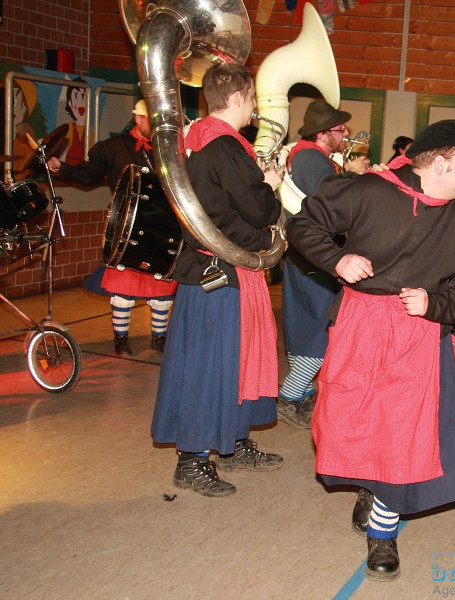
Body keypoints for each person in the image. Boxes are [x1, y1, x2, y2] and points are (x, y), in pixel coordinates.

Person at [287, 120, 455, 581]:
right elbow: (303, 224)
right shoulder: (367, 191)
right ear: (439, 162)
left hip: (418, 336)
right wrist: (336, 258)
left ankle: (383, 534)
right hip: (359, 324)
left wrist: (434, 303)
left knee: (400, 435)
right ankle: (370, 482)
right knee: (350, 422)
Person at [151, 63, 285, 497]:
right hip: (221, 275)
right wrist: (271, 182)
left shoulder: (193, 139)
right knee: (212, 370)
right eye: (253, 97)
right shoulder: (225, 147)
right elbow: (259, 210)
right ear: (241, 95)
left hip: (213, 268)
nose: (255, 106)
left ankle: (232, 442)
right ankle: (192, 461)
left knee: (233, 366)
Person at [49, 99, 175, 356]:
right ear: (138, 118)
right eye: (151, 118)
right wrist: (62, 168)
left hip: (160, 227)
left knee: (160, 284)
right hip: (126, 226)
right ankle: (121, 339)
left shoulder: (167, 148)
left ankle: (159, 337)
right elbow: (89, 175)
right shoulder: (114, 148)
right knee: (123, 285)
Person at [276, 99, 351, 429]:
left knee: (304, 327)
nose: (345, 133)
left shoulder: (304, 155)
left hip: (303, 256)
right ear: (323, 134)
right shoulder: (312, 158)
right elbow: (336, 205)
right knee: (320, 332)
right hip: (315, 259)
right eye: (339, 129)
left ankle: (302, 392)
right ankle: (290, 395)